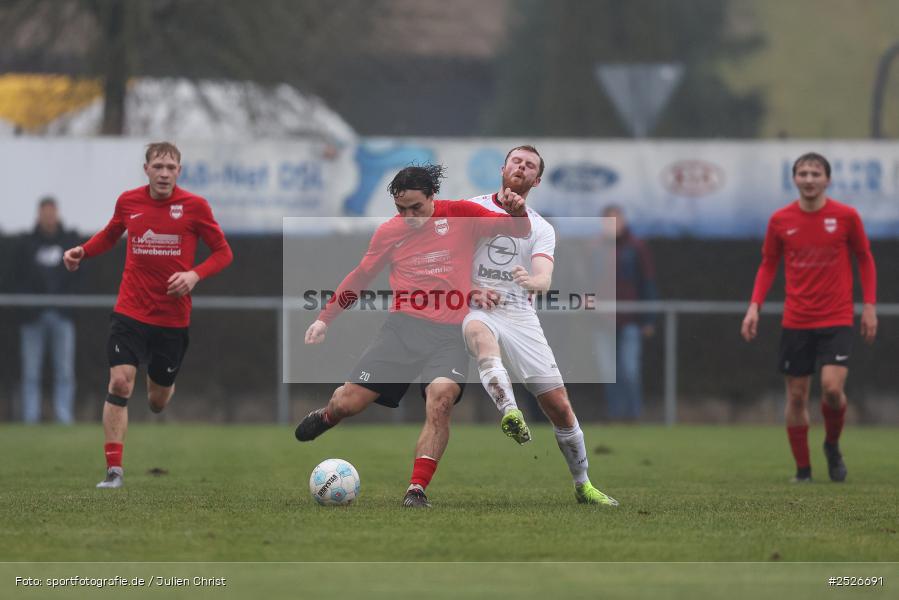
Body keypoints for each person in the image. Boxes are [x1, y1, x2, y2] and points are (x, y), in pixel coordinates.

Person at [294, 164, 531, 508]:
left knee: (441, 400)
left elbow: (518, 231)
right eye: (400, 209)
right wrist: (325, 319)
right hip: (402, 330)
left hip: (450, 335)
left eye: (416, 208)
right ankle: (329, 415)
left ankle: (416, 489)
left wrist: (518, 212)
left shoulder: (462, 214)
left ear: (432, 197)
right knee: (350, 403)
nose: (409, 216)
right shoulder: (389, 232)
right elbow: (360, 277)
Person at [63, 142, 233, 489]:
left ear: (179, 172)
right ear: (147, 170)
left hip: (172, 320)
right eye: (158, 166)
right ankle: (114, 471)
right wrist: (84, 250)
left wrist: (193, 275)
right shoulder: (129, 201)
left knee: (157, 401)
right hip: (130, 311)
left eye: (171, 167)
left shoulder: (195, 207)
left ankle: (160, 383)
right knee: (120, 382)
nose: (164, 173)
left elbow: (223, 252)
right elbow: (111, 235)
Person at [463, 145, 618, 506]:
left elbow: (544, 277)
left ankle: (583, 485)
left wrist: (533, 282)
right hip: (476, 306)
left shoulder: (541, 228)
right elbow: (449, 260)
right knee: (479, 336)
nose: (521, 167)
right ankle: (510, 412)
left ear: (537, 179)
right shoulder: (472, 209)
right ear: (503, 168)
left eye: (530, 165)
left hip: (520, 315)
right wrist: (471, 289)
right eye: (516, 160)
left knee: (560, 407)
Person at [741, 152, 877, 483]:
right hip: (797, 320)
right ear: (795, 179)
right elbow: (768, 263)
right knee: (798, 396)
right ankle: (803, 471)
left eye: (816, 173)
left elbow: (865, 258)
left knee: (831, 389)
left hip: (837, 317)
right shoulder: (780, 220)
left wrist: (869, 306)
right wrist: (754, 305)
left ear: (827, 179)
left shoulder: (846, 217)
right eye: (803, 173)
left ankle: (832, 444)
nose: (809, 178)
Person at [14, 196, 81, 424]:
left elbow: (78, 279)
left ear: (57, 215)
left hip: (62, 316)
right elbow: (17, 278)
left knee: (64, 371)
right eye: (45, 213)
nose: (49, 218)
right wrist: (30, 306)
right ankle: (30, 419)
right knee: (31, 372)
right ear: (39, 215)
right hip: (33, 317)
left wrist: (66, 304)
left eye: (52, 213)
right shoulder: (26, 245)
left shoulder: (69, 242)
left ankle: (64, 417)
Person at [594, 205, 657, 421]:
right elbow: (586, 280)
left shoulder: (636, 247)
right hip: (602, 320)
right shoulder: (595, 248)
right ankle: (615, 417)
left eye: (616, 220)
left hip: (630, 319)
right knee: (608, 372)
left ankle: (634, 416)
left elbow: (647, 282)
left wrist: (648, 318)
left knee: (630, 370)